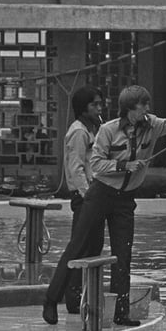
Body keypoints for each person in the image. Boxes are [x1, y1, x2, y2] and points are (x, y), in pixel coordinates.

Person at [43, 85, 166, 326]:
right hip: (100, 194)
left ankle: (122, 313)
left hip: (125, 200)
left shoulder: (153, 125)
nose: (147, 108)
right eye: (142, 105)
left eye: (147, 104)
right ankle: (50, 299)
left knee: (123, 255)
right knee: (77, 246)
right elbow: (98, 164)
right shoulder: (108, 130)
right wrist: (123, 167)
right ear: (130, 109)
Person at [62, 86, 106, 315]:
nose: (99, 108)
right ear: (82, 109)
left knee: (94, 247)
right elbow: (76, 168)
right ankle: (73, 296)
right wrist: (87, 195)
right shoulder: (79, 132)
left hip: (95, 196)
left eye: (100, 104)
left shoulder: (94, 130)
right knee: (81, 247)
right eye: (94, 105)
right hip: (85, 198)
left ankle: (86, 295)